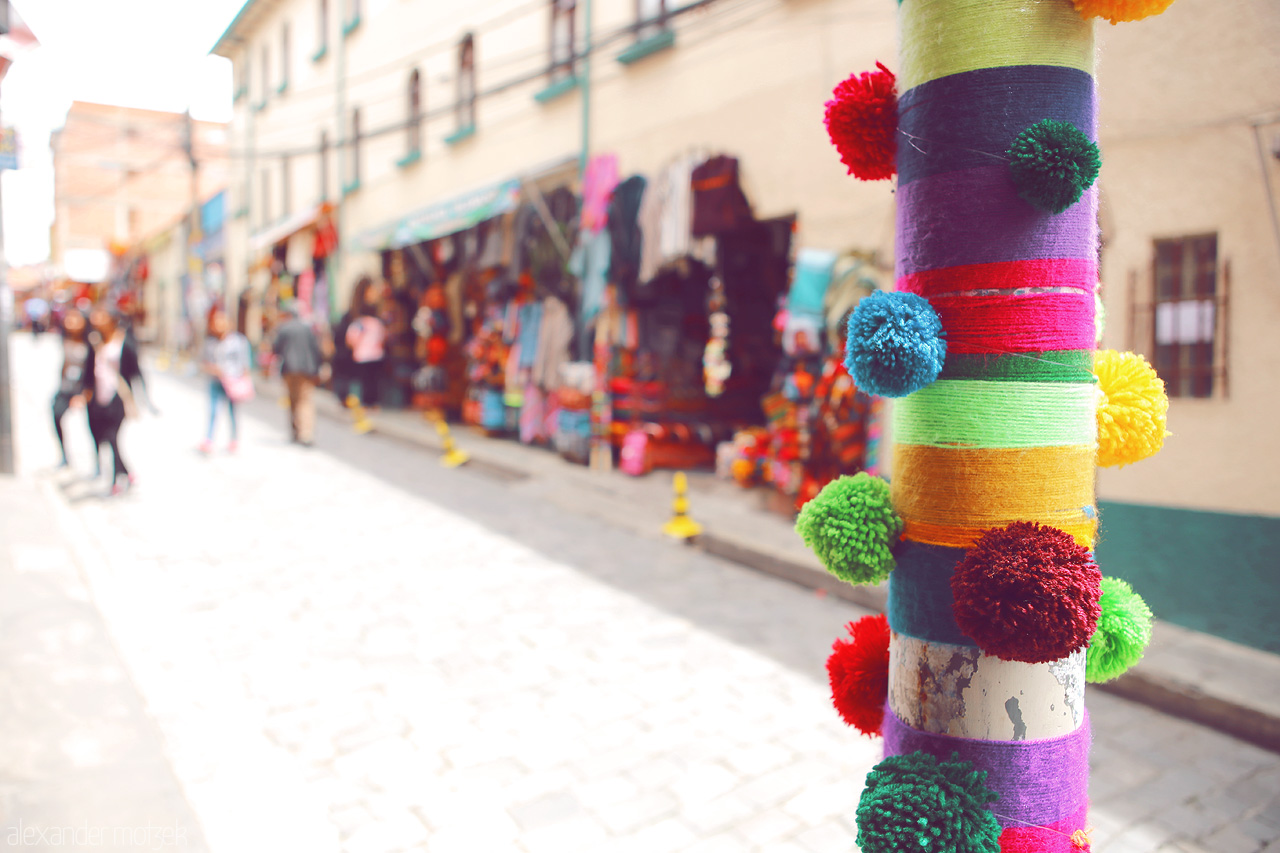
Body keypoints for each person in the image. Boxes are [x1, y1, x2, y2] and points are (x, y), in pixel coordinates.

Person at [84, 308, 140, 495]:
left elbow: (136, 371)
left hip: (118, 397)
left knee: (112, 437)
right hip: (99, 398)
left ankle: (117, 480)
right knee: (105, 437)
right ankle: (127, 473)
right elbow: (88, 369)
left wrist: (145, 399)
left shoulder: (124, 341)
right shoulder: (94, 340)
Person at [200, 306, 252, 454]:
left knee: (232, 412)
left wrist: (243, 380)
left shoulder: (238, 341)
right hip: (216, 381)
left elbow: (244, 362)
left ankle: (234, 439)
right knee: (213, 411)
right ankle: (209, 439)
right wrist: (213, 369)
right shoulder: (210, 342)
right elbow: (204, 361)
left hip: (233, 381)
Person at [272, 301, 326, 446]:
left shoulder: (283, 328)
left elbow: (276, 349)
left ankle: (296, 431)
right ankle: (306, 434)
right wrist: (318, 367)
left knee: (293, 400)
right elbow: (316, 349)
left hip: (289, 369)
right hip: (306, 369)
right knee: (305, 401)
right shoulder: (307, 329)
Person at [52, 310, 90, 469]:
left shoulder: (89, 342)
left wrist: (84, 393)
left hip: (82, 388)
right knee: (56, 415)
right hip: (66, 387)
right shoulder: (64, 339)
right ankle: (65, 455)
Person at [345, 278, 387, 408]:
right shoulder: (357, 320)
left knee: (373, 380)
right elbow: (351, 338)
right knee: (364, 380)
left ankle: (371, 402)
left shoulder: (377, 317)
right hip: (363, 355)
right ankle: (362, 401)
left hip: (375, 355)